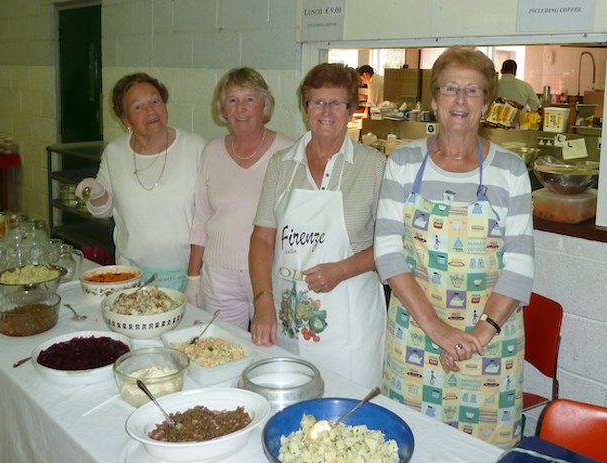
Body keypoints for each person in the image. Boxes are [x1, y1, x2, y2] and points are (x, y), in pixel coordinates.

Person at [374, 47, 534, 449]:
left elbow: (519, 268)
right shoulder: (404, 162)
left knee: (482, 452)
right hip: (416, 335)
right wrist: (440, 332)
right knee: (411, 446)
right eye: (450, 89)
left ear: (486, 103)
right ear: (433, 99)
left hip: (489, 344)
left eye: (473, 91)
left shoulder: (510, 170)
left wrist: (475, 337)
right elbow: (388, 254)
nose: (460, 101)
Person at [249, 63, 387, 389]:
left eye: (336, 103)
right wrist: (263, 301)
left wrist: (341, 270)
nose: (326, 111)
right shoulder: (282, 164)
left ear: (351, 109)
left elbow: (394, 243)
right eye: (317, 102)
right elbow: (262, 240)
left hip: (351, 326)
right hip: (289, 319)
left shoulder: (374, 166)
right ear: (305, 106)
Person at [185, 67, 294, 330]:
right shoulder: (211, 152)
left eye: (249, 100)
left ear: (264, 106)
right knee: (222, 348)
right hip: (219, 275)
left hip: (271, 274)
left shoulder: (289, 151)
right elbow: (201, 217)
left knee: (271, 350)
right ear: (223, 109)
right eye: (232, 101)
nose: (241, 109)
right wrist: (192, 277)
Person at [76, 72, 206, 291]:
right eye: (138, 107)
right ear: (125, 119)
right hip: (131, 273)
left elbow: (209, 213)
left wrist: (196, 277)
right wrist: (96, 193)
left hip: (188, 272)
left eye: (155, 101)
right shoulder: (114, 153)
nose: (150, 111)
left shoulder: (195, 147)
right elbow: (103, 211)